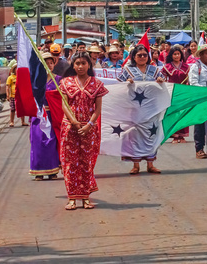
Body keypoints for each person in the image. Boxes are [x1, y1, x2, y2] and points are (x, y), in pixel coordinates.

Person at [59, 52, 109, 210]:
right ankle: (72, 197)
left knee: (87, 162)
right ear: (72, 66)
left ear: (89, 65)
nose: (80, 66)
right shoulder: (65, 82)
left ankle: (86, 197)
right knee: (70, 162)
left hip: (88, 128)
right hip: (70, 127)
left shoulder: (97, 84)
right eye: (77, 63)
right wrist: (73, 122)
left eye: (83, 63)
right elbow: (64, 105)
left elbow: (97, 109)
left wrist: (89, 124)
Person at [117, 45, 166, 174]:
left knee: (151, 135)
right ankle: (136, 165)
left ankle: (151, 164)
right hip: (134, 109)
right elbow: (118, 86)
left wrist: (161, 81)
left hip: (152, 109)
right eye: (139, 55)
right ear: (134, 57)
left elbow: (165, 83)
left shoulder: (154, 70)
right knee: (135, 136)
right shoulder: (127, 70)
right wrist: (126, 83)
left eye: (145, 55)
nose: (142, 57)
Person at [30, 53, 62, 181]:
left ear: (54, 64)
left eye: (50, 62)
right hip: (38, 115)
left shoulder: (59, 80)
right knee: (37, 142)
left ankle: (53, 170)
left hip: (53, 114)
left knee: (52, 142)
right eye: (45, 62)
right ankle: (38, 171)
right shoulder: (35, 81)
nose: (48, 65)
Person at [163, 45, 190, 143]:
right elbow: (163, 79)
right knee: (174, 114)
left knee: (183, 113)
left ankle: (182, 136)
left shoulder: (186, 67)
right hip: (172, 93)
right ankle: (175, 135)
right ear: (171, 55)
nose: (177, 56)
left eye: (178, 54)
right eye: (174, 54)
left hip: (183, 93)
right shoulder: (167, 67)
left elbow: (188, 80)